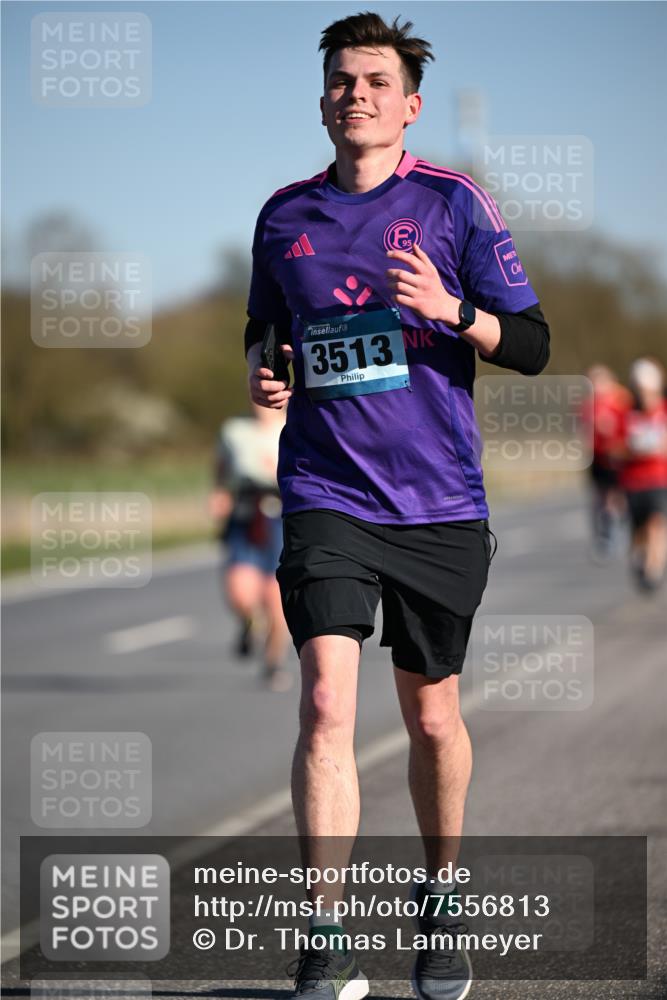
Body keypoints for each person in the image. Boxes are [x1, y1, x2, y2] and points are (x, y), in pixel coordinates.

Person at [244, 12, 550, 1000]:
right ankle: (324, 933)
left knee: (429, 720)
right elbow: (265, 332)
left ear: (409, 104)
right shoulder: (283, 217)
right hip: (325, 490)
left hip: (436, 502)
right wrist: (266, 374)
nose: (355, 93)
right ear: (322, 99)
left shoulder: (457, 206)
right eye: (340, 79)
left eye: (375, 79)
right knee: (327, 702)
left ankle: (441, 896)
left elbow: (536, 343)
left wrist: (452, 312)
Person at [210, 404, 292, 691]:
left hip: (283, 515)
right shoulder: (235, 430)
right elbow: (220, 467)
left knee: (275, 598)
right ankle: (250, 621)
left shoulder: (294, 422)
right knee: (239, 589)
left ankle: (273, 663)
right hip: (245, 512)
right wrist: (219, 492)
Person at [619, 358, 667, 592]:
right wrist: (631, 448)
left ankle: (654, 568)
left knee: (656, 523)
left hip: (659, 478)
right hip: (633, 481)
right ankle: (640, 558)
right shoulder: (627, 414)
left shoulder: (664, 411)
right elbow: (614, 448)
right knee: (637, 528)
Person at [582, 364, 631, 559]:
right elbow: (582, 428)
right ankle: (604, 533)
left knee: (616, 495)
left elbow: (630, 425)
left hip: (617, 454)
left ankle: (617, 527)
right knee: (600, 495)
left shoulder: (622, 399)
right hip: (597, 456)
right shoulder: (587, 403)